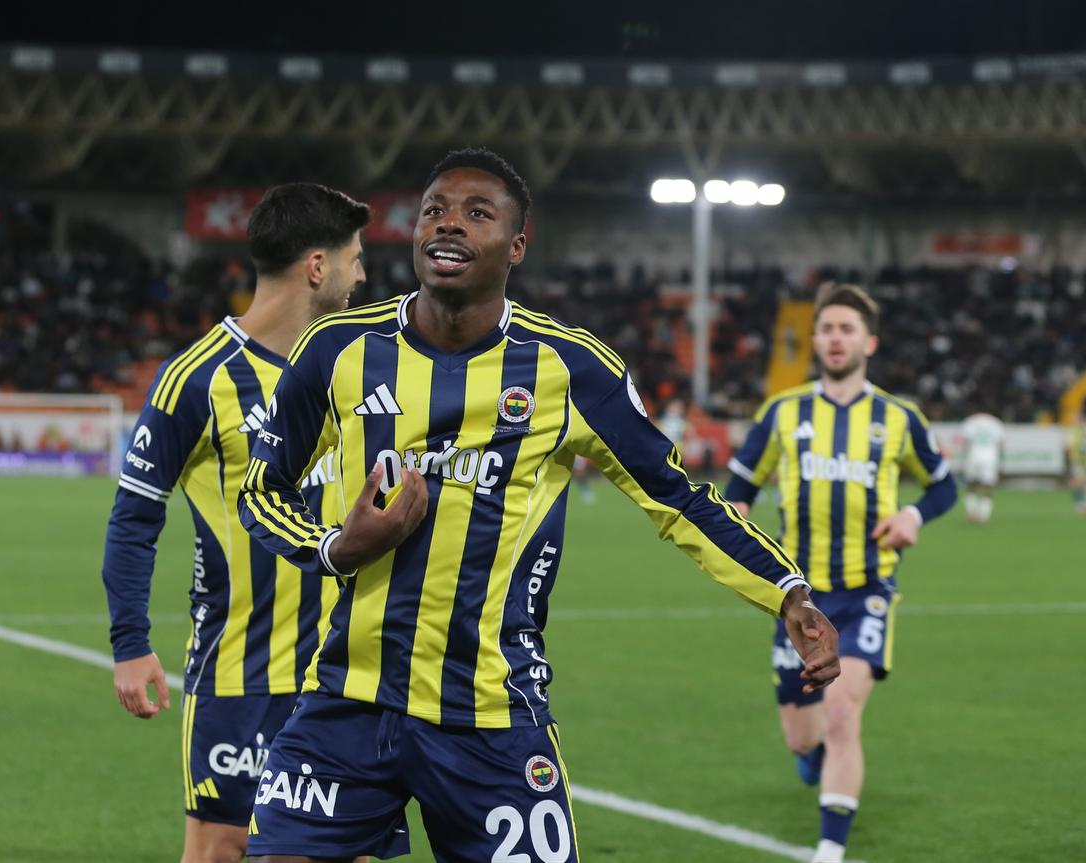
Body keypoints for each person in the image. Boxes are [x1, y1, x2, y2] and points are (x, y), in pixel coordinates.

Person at [237, 148, 840, 862]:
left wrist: (787, 589)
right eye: (434, 210)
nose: (448, 226)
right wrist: (337, 546)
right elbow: (260, 490)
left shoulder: (571, 366)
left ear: (517, 244)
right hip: (345, 699)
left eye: (476, 214)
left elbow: (677, 499)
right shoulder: (337, 348)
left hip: (490, 711)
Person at [101, 183, 370, 863]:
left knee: (349, 849)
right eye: (355, 258)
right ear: (317, 267)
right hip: (240, 669)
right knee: (224, 848)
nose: (363, 275)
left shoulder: (357, 368)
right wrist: (130, 641)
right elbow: (135, 515)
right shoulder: (197, 378)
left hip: (347, 667)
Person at [725, 282, 958, 863]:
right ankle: (816, 761)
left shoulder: (898, 418)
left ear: (869, 342)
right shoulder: (783, 413)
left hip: (867, 590)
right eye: (826, 328)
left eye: (846, 329)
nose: (835, 338)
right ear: (815, 339)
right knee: (803, 736)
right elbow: (740, 488)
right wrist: (737, 520)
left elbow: (944, 485)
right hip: (799, 600)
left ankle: (830, 850)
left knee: (840, 709)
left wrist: (913, 513)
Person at [958, 411, 1004, 523]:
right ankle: (984, 515)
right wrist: (1001, 462)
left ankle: (971, 512)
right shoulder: (996, 422)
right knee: (988, 486)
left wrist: (963, 460)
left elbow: (965, 442)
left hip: (973, 456)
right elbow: (1001, 443)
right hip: (990, 457)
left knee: (971, 484)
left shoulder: (970, 421)